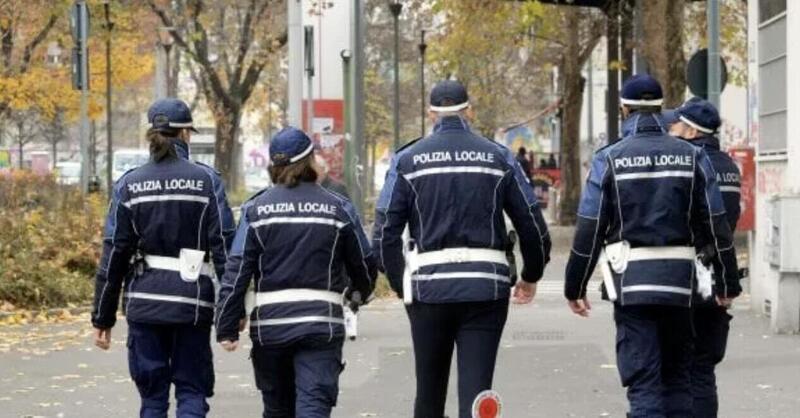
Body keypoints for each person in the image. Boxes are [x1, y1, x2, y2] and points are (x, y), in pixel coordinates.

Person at [564, 75, 740, 418]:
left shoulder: (608, 158)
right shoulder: (693, 156)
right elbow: (716, 224)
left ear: (624, 108)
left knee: (644, 383)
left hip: (632, 287)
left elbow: (590, 227)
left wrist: (575, 286)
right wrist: (727, 281)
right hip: (680, 285)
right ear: (661, 108)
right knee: (677, 379)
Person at [373, 79, 551, 418]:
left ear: (431, 114)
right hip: (485, 288)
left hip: (428, 289)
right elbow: (531, 224)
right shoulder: (498, 157)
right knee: (477, 393)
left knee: (428, 392)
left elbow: (383, 234)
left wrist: (401, 284)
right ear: (469, 110)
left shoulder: (407, 160)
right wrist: (531, 274)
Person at [215, 127, 376, 418]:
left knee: (277, 409)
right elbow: (364, 262)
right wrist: (360, 292)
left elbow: (237, 269)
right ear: (310, 160)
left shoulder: (256, 209)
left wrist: (227, 323)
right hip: (321, 325)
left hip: (271, 327)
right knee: (313, 406)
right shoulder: (338, 208)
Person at [91, 98, 235, 418]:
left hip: (145, 303)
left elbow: (114, 253)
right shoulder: (207, 181)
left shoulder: (129, 184)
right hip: (192, 302)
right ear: (184, 134)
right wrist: (232, 310)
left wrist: (102, 317)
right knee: (192, 391)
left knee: (153, 400)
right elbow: (225, 249)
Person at [667, 98, 741, 418]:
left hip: (686, 274)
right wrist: (728, 280)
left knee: (678, 368)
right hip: (717, 273)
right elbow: (727, 226)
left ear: (692, 131)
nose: (671, 128)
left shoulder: (688, 163)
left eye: (676, 124)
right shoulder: (730, 167)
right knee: (703, 370)